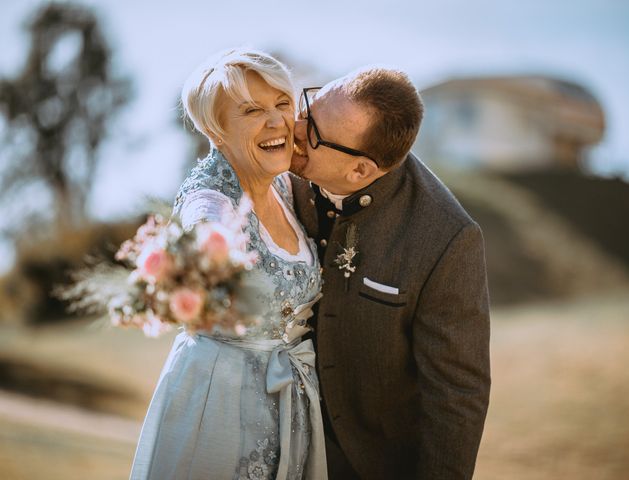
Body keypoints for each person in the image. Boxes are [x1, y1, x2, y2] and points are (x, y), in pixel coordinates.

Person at [130, 48, 328, 480]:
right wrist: (203, 251)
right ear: (216, 132)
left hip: (288, 404)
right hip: (217, 403)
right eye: (253, 110)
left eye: (281, 104)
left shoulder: (286, 186)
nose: (276, 121)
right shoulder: (209, 197)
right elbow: (204, 228)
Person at [289, 67, 491, 479]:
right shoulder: (282, 170)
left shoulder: (447, 238)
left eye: (313, 132)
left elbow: (457, 394)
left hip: (368, 463)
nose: (295, 127)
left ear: (360, 171)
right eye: (309, 106)